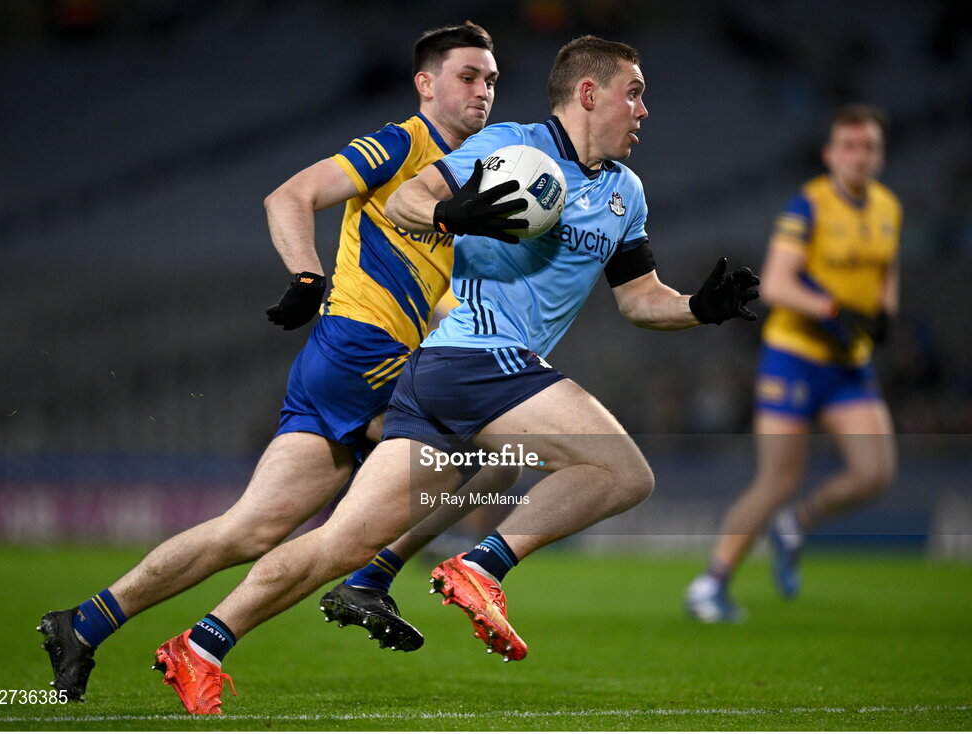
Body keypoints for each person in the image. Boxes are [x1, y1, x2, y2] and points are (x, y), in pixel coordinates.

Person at [150, 34, 760, 715]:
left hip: (448, 379)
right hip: (475, 355)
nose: (644, 110)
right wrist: (450, 211)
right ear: (590, 94)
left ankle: (201, 644)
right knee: (623, 472)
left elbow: (639, 297)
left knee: (340, 543)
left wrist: (698, 309)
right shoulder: (512, 147)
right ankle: (480, 565)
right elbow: (407, 200)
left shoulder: (625, 192)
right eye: (635, 93)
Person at [38, 21, 520, 703]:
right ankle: (368, 581)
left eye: (492, 80)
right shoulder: (399, 143)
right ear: (426, 84)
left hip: (365, 362)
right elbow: (287, 196)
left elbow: (426, 288)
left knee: (249, 529)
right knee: (501, 434)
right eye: (469, 76)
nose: (483, 91)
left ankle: (83, 623)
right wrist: (305, 276)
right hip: (360, 353)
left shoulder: (459, 174)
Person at [684, 104, 901, 622]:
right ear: (830, 155)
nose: (859, 155)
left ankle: (796, 523)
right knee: (777, 479)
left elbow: (885, 272)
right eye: (849, 146)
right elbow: (777, 284)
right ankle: (709, 584)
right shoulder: (808, 206)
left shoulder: (889, 208)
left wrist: (886, 312)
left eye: (868, 146)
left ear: (880, 154)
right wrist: (832, 309)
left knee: (875, 473)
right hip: (794, 358)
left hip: (848, 361)